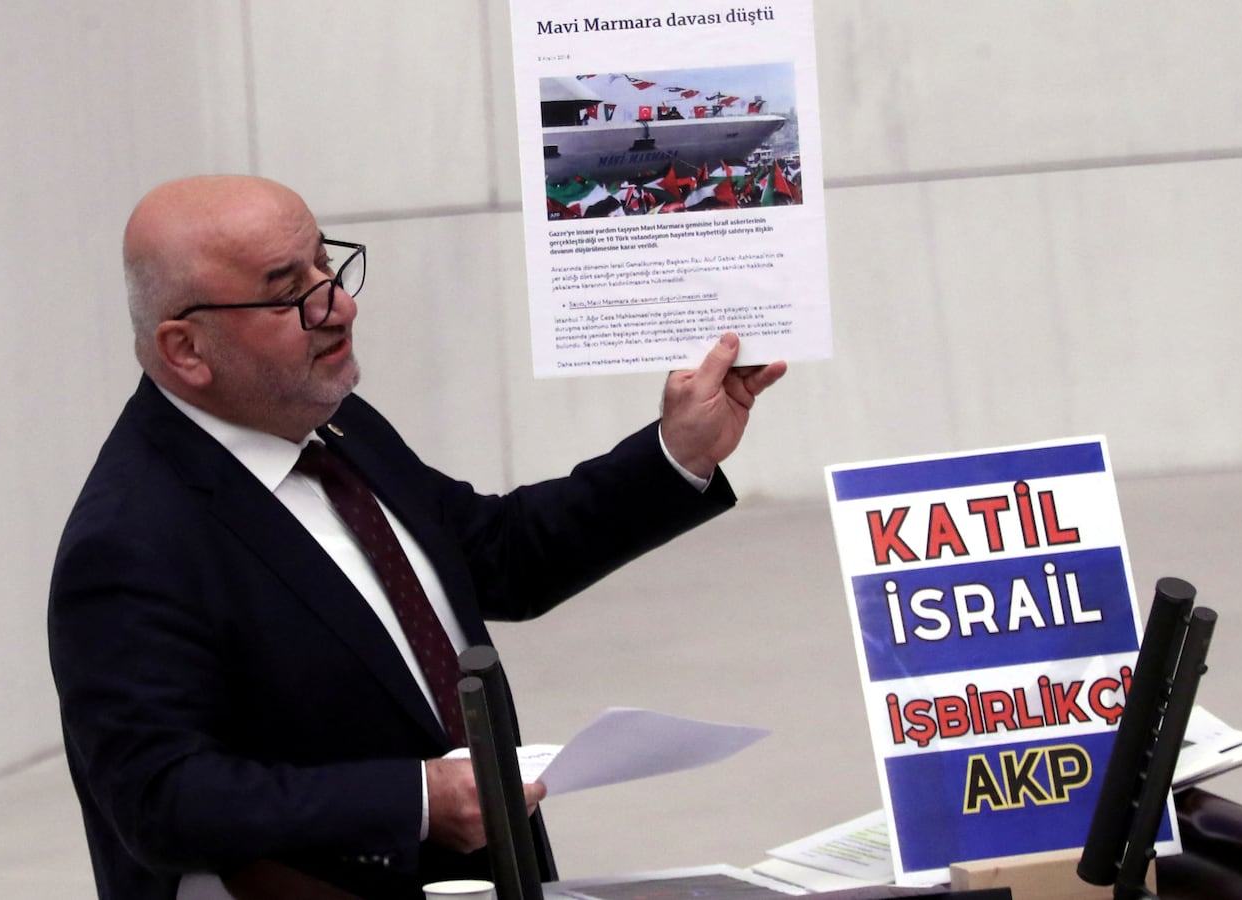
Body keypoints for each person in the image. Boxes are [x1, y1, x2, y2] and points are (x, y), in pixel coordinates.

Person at [48, 174, 786, 899]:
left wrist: (678, 452)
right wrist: (417, 801)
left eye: (326, 265)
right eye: (288, 293)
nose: (340, 305)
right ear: (186, 349)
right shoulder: (129, 543)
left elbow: (497, 556)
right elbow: (163, 800)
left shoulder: (334, 424)